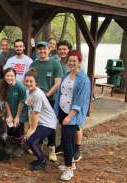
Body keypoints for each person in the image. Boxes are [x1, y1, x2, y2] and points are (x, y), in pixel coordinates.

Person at [54, 51, 91, 181]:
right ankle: (71, 164)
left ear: (79, 62)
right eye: (70, 60)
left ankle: (69, 169)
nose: (71, 63)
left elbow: (80, 101)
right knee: (65, 140)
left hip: (72, 115)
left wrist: (70, 117)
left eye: (74, 61)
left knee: (68, 142)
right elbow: (61, 93)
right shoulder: (66, 74)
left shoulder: (84, 80)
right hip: (63, 111)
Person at [29, 41, 63, 161]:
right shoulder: (34, 64)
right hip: (36, 98)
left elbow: (58, 82)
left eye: (44, 49)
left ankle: (52, 148)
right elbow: (30, 81)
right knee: (37, 122)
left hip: (50, 99)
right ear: (37, 51)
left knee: (50, 124)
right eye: (40, 49)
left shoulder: (55, 64)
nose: (42, 51)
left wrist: (48, 93)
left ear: (49, 49)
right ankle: (39, 144)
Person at [23, 71, 58, 171]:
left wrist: (32, 130)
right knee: (29, 140)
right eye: (26, 81)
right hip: (40, 121)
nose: (28, 83)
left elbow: (36, 113)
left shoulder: (37, 94)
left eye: (31, 81)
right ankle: (39, 159)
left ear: (36, 83)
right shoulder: (27, 91)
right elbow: (30, 109)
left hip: (48, 123)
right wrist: (30, 125)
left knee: (31, 141)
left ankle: (42, 161)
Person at [0, 68, 28, 157]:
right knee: (10, 128)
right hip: (11, 110)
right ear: (4, 77)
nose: (9, 78)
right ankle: (11, 145)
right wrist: (9, 115)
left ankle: (19, 147)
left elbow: (21, 102)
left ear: (15, 76)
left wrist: (17, 117)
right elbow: (6, 101)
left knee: (17, 128)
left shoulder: (20, 87)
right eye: (7, 76)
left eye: (11, 76)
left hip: (21, 111)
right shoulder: (4, 85)